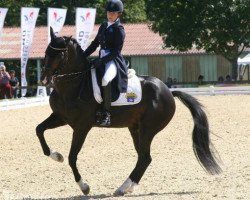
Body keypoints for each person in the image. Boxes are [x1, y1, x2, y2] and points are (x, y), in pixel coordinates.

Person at [83, 0, 128, 126]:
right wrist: (83, 55)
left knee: (106, 80)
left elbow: (116, 52)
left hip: (113, 61)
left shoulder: (119, 29)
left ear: (119, 14)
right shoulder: (103, 26)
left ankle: (106, 112)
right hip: (101, 58)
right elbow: (94, 44)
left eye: (113, 13)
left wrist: (102, 61)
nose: (110, 14)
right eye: (109, 12)